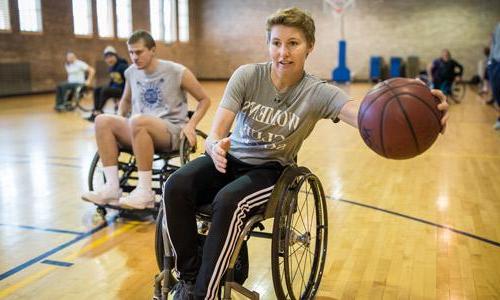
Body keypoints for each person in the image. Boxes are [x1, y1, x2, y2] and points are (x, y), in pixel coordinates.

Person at [162, 7, 449, 300]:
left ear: (309, 46)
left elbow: (367, 115)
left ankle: (202, 296)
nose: (282, 52)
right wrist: (213, 145)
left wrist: (423, 106)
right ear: (268, 44)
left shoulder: (317, 92)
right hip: (228, 160)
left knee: (228, 202)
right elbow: (217, 130)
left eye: (293, 43)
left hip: (270, 173)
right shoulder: (247, 75)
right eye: (276, 43)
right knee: (175, 185)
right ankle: (190, 277)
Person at [81, 30, 211, 209]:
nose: (134, 57)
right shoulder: (130, 72)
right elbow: (125, 100)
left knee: (138, 120)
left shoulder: (177, 71)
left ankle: (145, 192)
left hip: (171, 131)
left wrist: (191, 125)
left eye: (139, 52)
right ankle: (111, 188)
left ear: (153, 50)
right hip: (139, 128)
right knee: (102, 120)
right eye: (131, 52)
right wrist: (118, 123)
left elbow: (205, 99)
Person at [86, 46, 129, 122]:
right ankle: (96, 111)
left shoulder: (123, 66)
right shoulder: (111, 68)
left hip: (123, 90)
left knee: (105, 90)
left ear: (115, 56)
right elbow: (112, 80)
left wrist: (124, 97)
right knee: (97, 89)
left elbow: (129, 81)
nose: (109, 59)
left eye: (111, 57)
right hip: (115, 88)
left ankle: (98, 112)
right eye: (107, 58)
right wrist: (108, 87)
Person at [488, 22, 500, 130]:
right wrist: (490, 63)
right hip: (496, 63)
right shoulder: (497, 26)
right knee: (497, 93)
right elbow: (493, 45)